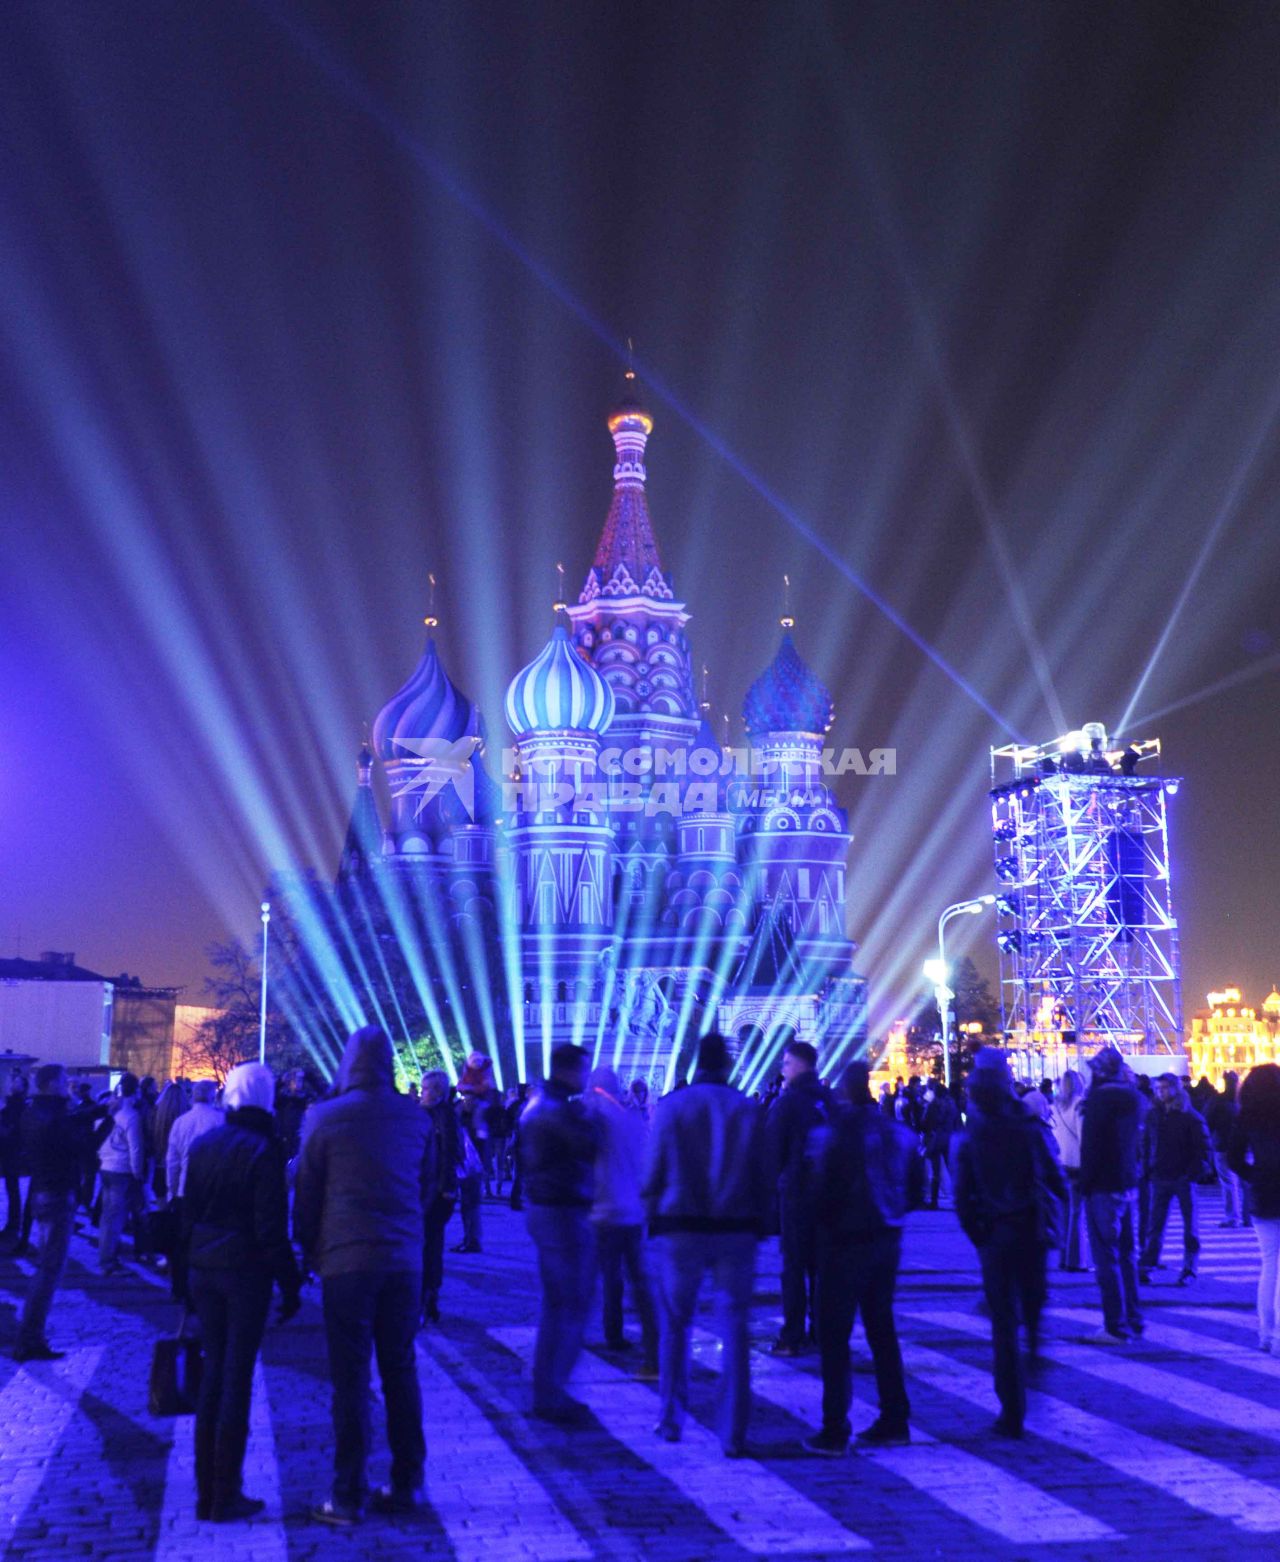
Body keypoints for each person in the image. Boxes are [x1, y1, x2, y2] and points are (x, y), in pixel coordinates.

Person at [295, 1026, 435, 1524]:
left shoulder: (325, 1117)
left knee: (350, 1378)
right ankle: (408, 1483)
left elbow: (307, 1193)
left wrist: (310, 1249)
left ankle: (348, 1491)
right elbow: (427, 1187)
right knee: (400, 1370)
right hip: (403, 1262)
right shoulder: (415, 1118)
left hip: (347, 1260)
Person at [643, 1033, 771, 1458]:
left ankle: (670, 1418)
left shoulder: (671, 1107)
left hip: (681, 1228)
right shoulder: (747, 1108)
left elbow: (655, 1169)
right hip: (736, 1228)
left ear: (697, 1062)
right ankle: (733, 1432)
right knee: (735, 1328)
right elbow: (762, 1174)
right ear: (728, 1065)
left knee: (675, 1324)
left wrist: (651, 1215)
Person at [183, 1063, 301, 1522]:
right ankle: (226, 1490)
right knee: (236, 1379)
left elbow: (186, 1213)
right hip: (244, 1274)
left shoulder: (205, 1143)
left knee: (213, 1378)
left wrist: (183, 1280)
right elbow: (271, 1230)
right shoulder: (263, 1149)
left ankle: (205, 1490)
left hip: (203, 1270)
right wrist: (290, 1286)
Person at [803, 1061, 922, 1456]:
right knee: (881, 1331)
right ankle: (895, 1418)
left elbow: (822, 1190)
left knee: (834, 1337)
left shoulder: (836, 1133)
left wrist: (816, 1233)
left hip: (844, 1242)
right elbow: (916, 1186)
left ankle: (835, 1426)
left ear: (843, 1090)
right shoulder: (896, 1131)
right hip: (886, 1240)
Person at [952, 1047, 1065, 1437]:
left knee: (1002, 1324)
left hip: (994, 1235)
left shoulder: (973, 1134)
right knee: (1032, 1303)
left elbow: (961, 1196)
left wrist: (978, 1234)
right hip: (1031, 1231)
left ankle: (1011, 1409)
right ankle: (1034, 1351)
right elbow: (1056, 1180)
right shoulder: (1030, 1128)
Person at [519, 1044, 598, 1422]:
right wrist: (592, 1115)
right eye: (584, 1070)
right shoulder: (557, 1109)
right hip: (561, 1211)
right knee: (571, 1301)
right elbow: (589, 1145)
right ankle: (551, 1392)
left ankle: (546, 1387)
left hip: (548, 1208)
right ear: (570, 1070)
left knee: (557, 1302)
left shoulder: (541, 1103)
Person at [14, 1065, 93, 1361]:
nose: (67, 1084)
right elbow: (84, 1146)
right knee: (49, 1271)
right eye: (62, 1081)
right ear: (50, 1084)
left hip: (42, 1191)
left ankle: (29, 1335)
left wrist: (95, 1112)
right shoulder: (56, 1117)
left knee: (46, 1267)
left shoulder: (35, 1112)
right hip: (58, 1194)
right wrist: (110, 1120)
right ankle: (29, 1339)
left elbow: (67, 1125)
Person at [586, 1065, 657, 1377]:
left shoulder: (594, 1116)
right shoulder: (633, 1119)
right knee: (640, 1281)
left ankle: (612, 1332)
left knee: (608, 1279)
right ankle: (652, 1342)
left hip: (604, 1211)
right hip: (633, 1210)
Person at [765, 1036, 828, 1355]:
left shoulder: (788, 1103)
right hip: (828, 1199)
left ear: (800, 1065)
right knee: (822, 1270)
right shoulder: (829, 1099)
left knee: (793, 1269)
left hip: (796, 1197)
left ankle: (792, 1335)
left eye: (787, 1063)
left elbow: (772, 1152)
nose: (783, 1068)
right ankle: (821, 1330)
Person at [1079, 1046, 1145, 1341]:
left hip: (1103, 1185)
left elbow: (1091, 1148)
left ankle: (1114, 1324)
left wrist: (1085, 1183)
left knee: (1106, 1257)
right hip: (1128, 1182)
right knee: (1128, 1255)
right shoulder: (1134, 1097)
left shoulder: (1098, 1100)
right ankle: (1134, 1319)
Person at [1227, 1063, 1280, 1353]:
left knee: (1269, 1264)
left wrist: (1254, 1175)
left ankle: (1266, 1333)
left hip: (1263, 1192)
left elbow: (1233, 1159)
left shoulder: (1246, 1116)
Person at [1138, 1073, 1211, 1285]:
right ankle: (1148, 1264)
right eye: (1158, 1088)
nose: (1160, 1092)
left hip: (1182, 1177)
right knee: (1155, 1225)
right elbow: (1145, 1143)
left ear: (1175, 1089)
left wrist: (1191, 1174)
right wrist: (1147, 1168)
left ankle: (1189, 1268)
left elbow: (1203, 1149)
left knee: (1190, 1226)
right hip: (1159, 1175)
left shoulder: (1190, 1116)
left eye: (1164, 1088)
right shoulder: (1154, 1115)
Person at [419, 1070, 458, 1325]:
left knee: (429, 1245)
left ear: (438, 1091)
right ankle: (429, 1296)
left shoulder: (442, 1116)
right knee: (430, 1244)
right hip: (429, 1188)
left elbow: (448, 1154)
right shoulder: (435, 1114)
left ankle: (427, 1296)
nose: (422, 1093)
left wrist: (446, 1187)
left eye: (426, 1089)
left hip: (434, 1190)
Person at [97, 1072, 145, 1274]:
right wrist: (138, 1172)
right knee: (115, 1217)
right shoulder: (132, 1116)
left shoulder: (110, 1109)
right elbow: (135, 1147)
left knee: (107, 1214)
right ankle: (108, 1260)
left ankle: (105, 1253)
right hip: (121, 1168)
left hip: (105, 1166)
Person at [1050, 1069, 1087, 1271]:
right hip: (1077, 1164)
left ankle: (1063, 1257)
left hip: (1060, 1163)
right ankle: (1076, 1260)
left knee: (1064, 1213)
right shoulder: (1080, 1105)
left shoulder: (1055, 1106)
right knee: (1076, 1213)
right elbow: (1084, 1138)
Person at [1208, 1072, 1244, 1227]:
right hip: (1244, 1146)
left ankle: (1233, 1216)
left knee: (1229, 1182)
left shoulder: (1218, 1100)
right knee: (1245, 1183)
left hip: (1222, 1145)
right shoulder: (1244, 1100)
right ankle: (1247, 1216)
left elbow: (1208, 1120)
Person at [921, 1081, 959, 1209]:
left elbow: (925, 1122)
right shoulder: (952, 1104)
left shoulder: (933, 1105)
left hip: (936, 1138)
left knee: (935, 1171)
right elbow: (956, 1121)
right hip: (949, 1138)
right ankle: (959, 1197)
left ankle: (934, 1200)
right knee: (952, 1169)